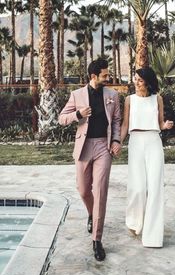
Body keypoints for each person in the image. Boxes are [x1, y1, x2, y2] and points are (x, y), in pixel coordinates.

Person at [58, 58, 121, 261]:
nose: (108, 77)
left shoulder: (113, 95)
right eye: (104, 75)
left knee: (100, 191)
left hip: (104, 146)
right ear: (93, 76)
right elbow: (62, 118)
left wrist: (117, 140)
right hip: (83, 148)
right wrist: (78, 114)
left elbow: (117, 120)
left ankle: (97, 240)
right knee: (84, 190)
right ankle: (92, 214)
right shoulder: (76, 95)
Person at [121, 67, 173, 247]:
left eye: (140, 80)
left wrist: (165, 125)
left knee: (155, 188)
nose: (136, 82)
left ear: (148, 83)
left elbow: (159, 122)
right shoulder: (129, 100)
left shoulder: (157, 99)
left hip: (153, 142)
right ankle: (134, 221)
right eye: (135, 79)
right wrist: (117, 143)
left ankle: (153, 236)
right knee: (138, 188)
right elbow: (125, 125)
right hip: (135, 142)